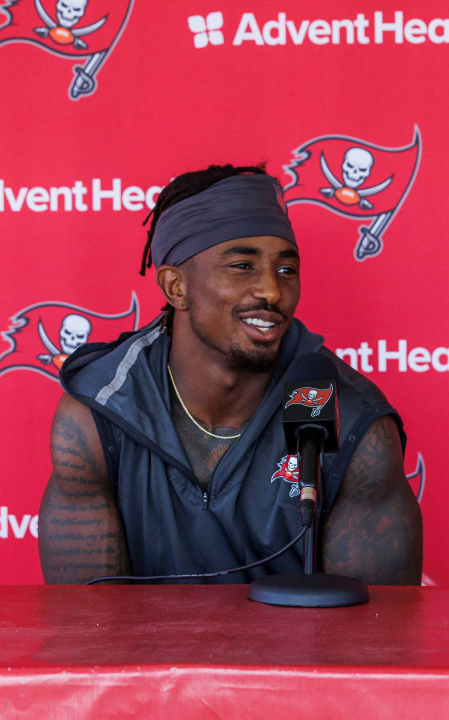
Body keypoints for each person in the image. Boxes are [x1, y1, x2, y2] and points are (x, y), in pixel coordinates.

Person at [37, 164, 423, 585]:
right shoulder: (100, 414)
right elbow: (86, 626)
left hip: (301, 653)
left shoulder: (347, 418)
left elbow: (375, 636)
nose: (272, 292)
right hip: (147, 653)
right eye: (242, 266)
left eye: (286, 270)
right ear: (176, 288)